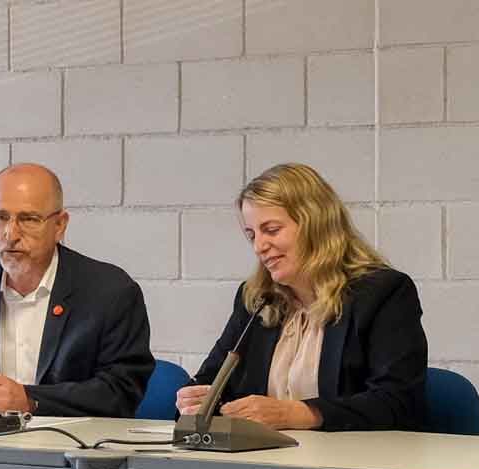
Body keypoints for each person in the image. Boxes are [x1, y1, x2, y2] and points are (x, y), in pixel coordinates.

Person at [176, 163, 427, 431]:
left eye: (272, 230)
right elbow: (210, 382)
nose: (259, 246)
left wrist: (299, 414)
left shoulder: (383, 292)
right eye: (252, 235)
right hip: (263, 455)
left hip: (351, 455)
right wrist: (194, 402)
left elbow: (398, 402)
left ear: (315, 224)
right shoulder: (255, 299)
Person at [0, 163, 154, 417]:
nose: (10, 234)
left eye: (28, 219)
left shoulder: (110, 290)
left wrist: (30, 400)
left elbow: (121, 391)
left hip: (73, 440)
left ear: (60, 225)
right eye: (0, 217)